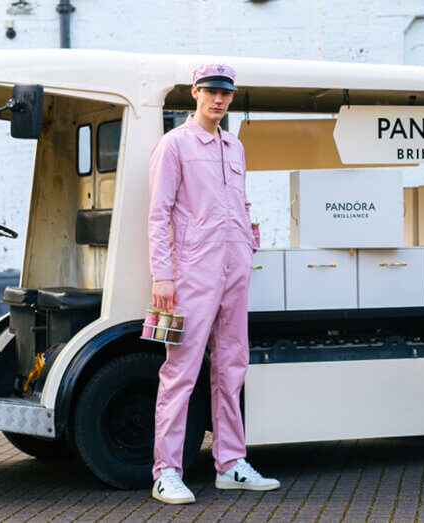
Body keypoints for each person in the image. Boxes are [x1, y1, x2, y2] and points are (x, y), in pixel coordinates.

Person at [147, 63, 280, 504]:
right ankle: (166, 471)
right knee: (180, 371)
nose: (219, 100)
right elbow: (158, 214)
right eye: (211, 91)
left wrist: (247, 243)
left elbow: (239, 202)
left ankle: (231, 464)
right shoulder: (174, 146)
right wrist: (162, 275)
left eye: (226, 93)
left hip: (233, 268)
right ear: (195, 93)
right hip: (192, 272)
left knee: (232, 365)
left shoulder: (235, 147)